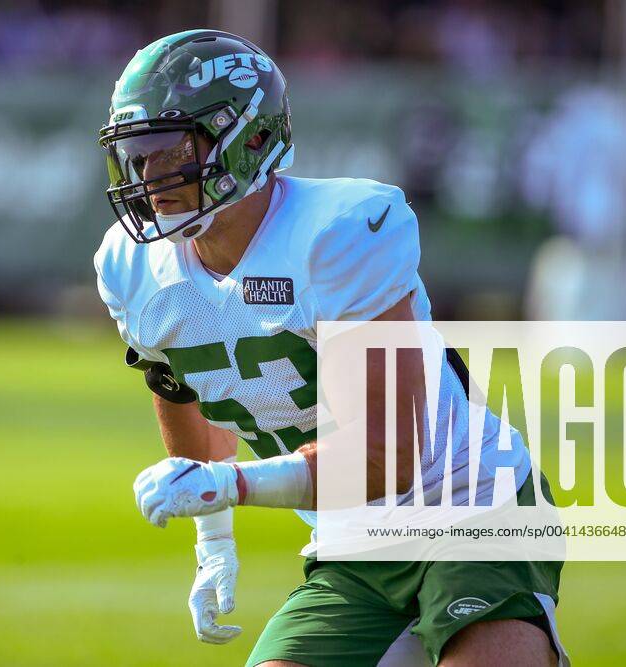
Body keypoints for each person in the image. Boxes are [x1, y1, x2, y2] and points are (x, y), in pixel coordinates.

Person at [94, 29, 568, 667]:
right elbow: (180, 395)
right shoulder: (133, 267)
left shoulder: (337, 232)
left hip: (472, 506)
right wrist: (213, 541)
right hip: (352, 540)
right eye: (138, 155)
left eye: (172, 151)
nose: (151, 178)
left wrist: (228, 486)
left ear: (251, 140)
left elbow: (388, 456)